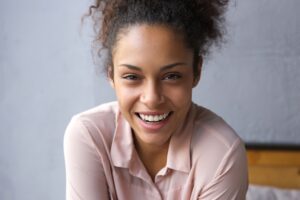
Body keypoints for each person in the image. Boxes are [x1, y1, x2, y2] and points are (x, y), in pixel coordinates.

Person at [64, 0, 248, 199]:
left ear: (196, 72)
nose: (151, 99)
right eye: (132, 77)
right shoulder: (90, 136)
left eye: (172, 76)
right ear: (111, 76)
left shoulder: (221, 154)